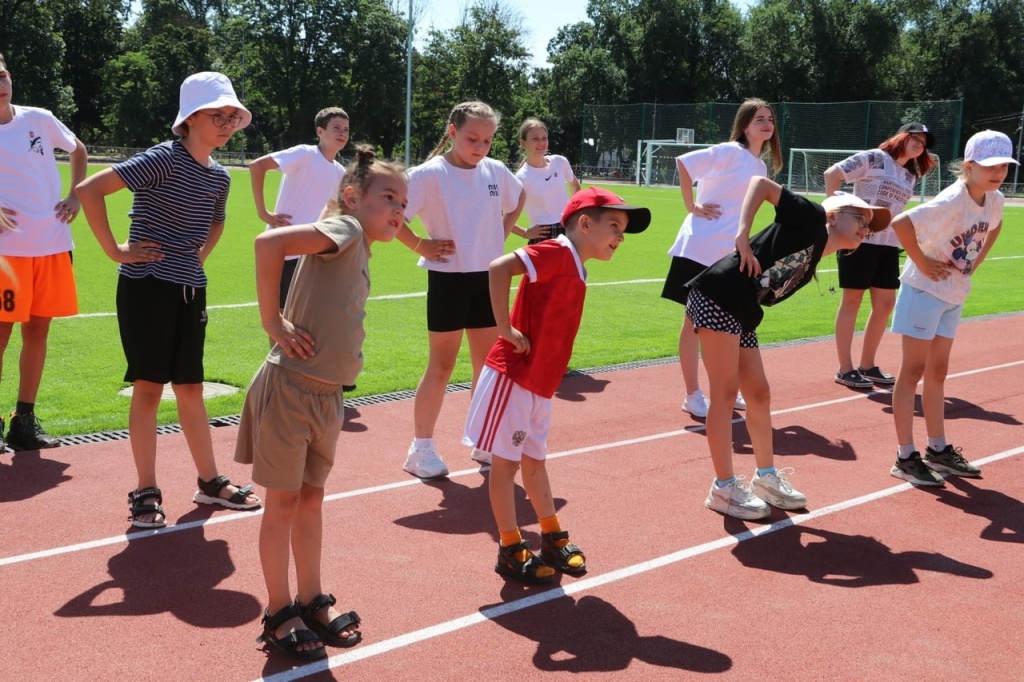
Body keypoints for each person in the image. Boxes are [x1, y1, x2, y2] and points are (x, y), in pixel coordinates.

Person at [235, 145, 406, 659]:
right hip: (291, 390)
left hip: (327, 396)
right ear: (353, 197)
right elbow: (269, 244)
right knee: (283, 502)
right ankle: (278, 609)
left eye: (405, 201)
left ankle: (310, 600)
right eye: (389, 198)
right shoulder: (348, 230)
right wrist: (272, 322)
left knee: (310, 499)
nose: (399, 209)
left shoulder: (359, 242)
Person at [76, 71, 261, 527]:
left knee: (191, 387)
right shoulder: (162, 158)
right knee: (148, 389)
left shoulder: (220, 177)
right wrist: (115, 249)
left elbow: (216, 222)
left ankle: (210, 481)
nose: (226, 123)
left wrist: (199, 256)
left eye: (232, 117)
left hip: (189, 287)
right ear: (190, 118)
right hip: (146, 285)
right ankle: (145, 490)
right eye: (217, 115)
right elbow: (89, 190)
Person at [464, 187, 650, 583]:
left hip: (540, 383)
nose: (620, 236)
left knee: (535, 461)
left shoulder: (576, 264)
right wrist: (504, 328)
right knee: (506, 465)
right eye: (614, 226)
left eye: (623, 230)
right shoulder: (557, 251)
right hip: (514, 376)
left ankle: (550, 533)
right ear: (585, 223)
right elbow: (498, 267)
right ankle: (511, 546)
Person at [689, 180, 890, 519]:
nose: (866, 229)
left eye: (869, 224)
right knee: (724, 393)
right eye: (861, 219)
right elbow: (760, 184)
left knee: (760, 393)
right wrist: (742, 235)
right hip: (717, 294)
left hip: (741, 308)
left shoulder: (815, 256)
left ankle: (766, 479)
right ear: (836, 216)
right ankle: (723, 487)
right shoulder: (811, 218)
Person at [396, 100, 524, 479]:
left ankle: (483, 439)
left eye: (487, 140)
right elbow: (392, 216)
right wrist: (420, 244)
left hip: (488, 278)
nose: (480, 146)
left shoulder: (496, 171)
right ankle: (421, 449)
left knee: (486, 367)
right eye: (472, 138)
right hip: (449, 277)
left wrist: (502, 231)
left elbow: (518, 199)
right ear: (452, 132)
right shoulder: (427, 175)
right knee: (442, 365)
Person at [887, 130, 1015, 487]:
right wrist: (923, 263)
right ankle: (905, 455)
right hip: (923, 290)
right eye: (990, 166)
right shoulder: (952, 199)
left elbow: (996, 224)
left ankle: (938, 449)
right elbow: (901, 223)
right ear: (970, 166)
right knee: (911, 371)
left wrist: (979, 260)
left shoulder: (995, 200)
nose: (998, 172)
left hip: (953, 292)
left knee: (938, 373)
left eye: (1004, 165)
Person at [661, 99, 782, 419]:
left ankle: (727, 388)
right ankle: (692, 395)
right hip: (699, 248)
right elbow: (684, 163)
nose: (767, 123)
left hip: (728, 255)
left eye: (770, 118)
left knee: (729, 323)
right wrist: (691, 206)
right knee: (693, 324)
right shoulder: (730, 151)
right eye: (759, 118)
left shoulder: (759, 167)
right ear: (745, 125)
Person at [0, 51, 88, 451]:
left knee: (37, 334)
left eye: (1, 75)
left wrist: (75, 196)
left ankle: (24, 420)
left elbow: (78, 149)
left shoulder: (39, 118)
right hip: (6, 252)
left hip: (51, 245)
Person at [824, 122, 937, 389]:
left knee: (885, 305)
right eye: (916, 138)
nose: (921, 143)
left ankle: (867, 365)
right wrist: (833, 213)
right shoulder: (874, 158)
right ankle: (845, 368)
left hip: (889, 244)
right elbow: (832, 174)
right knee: (852, 301)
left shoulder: (910, 176)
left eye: (924, 142)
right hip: (860, 239)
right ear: (902, 137)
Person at [248, 107, 349, 311]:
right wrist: (263, 213)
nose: (342, 134)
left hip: (308, 253)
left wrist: (323, 235)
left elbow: (333, 207)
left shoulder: (339, 171)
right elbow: (257, 166)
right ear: (320, 131)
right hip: (281, 249)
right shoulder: (305, 154)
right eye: (336, 128)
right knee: (280, 317)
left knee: (302, 317)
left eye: (346, 130)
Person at [510, 117, 581, 244]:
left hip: (568, 230)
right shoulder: (521, 178)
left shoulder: (560, 162)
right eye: (535, 139)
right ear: (523, 143)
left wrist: (574, 213)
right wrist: (525, 233)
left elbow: (575, 185)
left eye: (544, 138)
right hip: (542, 236)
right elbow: (503, 215)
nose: (541, 143)